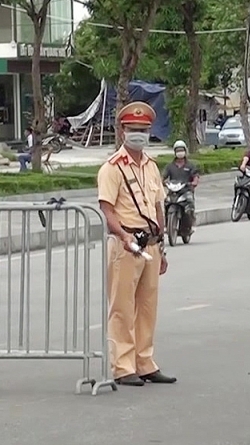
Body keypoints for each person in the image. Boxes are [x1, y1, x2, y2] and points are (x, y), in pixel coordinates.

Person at [96, 101, 177, 387]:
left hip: (151, 245)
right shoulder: (112, 168)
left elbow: (158, 208)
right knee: (122, 307)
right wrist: (124, 236)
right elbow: (107, 210)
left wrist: (162, 247)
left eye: (143, 129)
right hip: (126, 244)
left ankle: (145, 362)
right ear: (122, 131)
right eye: (133, 129)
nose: (138, 134)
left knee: (147, 306)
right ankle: (123, 365)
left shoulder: (152, 167)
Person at [161, 139, 199, 237]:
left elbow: (195, 176)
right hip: (173, 191)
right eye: (178, 150)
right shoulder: (170, 166)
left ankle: (191, 224)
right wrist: (161, 182)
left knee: (189, 204)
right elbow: (163, 176)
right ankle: (167, 225)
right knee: (166, 203)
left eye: (181, 150)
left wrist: (194, 182)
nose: (180, 153)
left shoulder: (190, 165)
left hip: (186, 191)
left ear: (185, 151)